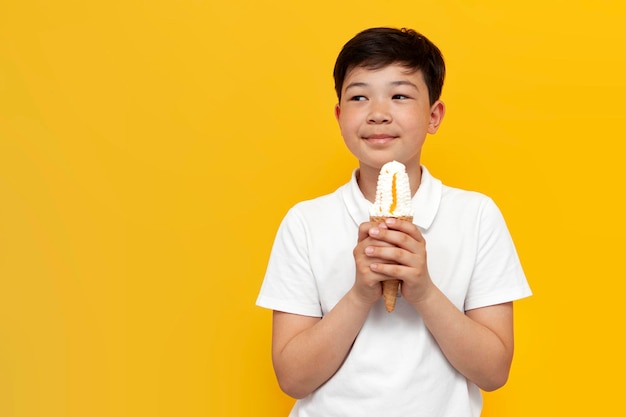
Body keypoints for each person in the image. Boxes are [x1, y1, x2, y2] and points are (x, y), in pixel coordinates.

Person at [256, 27, 531, 417]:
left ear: (433, 116)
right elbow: (292, 379)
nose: (378, 112)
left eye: (400, 95)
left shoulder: (476, 216)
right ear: (339, 116)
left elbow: (493, 371)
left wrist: (423, 291)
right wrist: (358, 295)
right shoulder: (305, 222)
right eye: (359, 96)